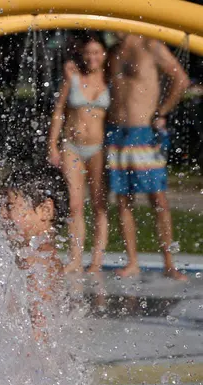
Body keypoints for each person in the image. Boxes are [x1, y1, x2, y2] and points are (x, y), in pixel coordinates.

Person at [106, 34, 190, 280]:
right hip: (116, 133)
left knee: (158, 200)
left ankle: (169, 263)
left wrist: (161, 111)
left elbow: (181, 79)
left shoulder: (150, 45)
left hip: (144, 132)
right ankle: (133, 261)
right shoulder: (113, 51)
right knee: (123, 201)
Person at [48, 32, 110, 274]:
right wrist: (52, 145)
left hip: (98, 148)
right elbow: (58, 111)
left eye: (96, 52)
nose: (92, 57)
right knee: (74, 205)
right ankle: (75, 258)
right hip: (72, 146)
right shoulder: (72, 78)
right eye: (88, 52)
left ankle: (96, 260)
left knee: (99, 204)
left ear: (103, 55)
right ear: (82, 54)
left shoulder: (110, 80)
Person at [0, 165, 69, 343]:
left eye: (9, 206)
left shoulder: (39, 259)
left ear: (45, 210)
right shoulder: (39, 254)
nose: (1, 214)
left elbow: (39, 329)